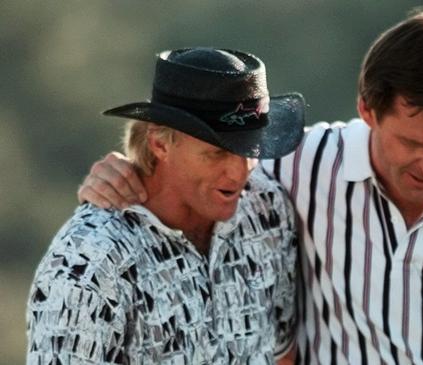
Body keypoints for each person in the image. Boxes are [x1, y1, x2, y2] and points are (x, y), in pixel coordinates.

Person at [76, 6, 423, 365]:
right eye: (411, 143)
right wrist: (126, 172)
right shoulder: (301, 166)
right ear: (367, 111)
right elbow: (201, 178)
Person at [27, 47, 305, 364]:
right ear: (160, 143)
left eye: (250, 149)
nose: (239, 173)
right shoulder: (90, 259)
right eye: (217, 153)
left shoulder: (267, 208)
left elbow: (282, 355)